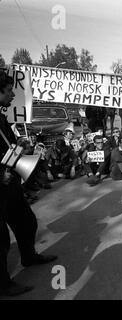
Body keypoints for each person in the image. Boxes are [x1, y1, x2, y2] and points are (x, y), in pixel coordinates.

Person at [0, 71, 56, 296]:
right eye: (9, 90)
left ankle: (29, 256)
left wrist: (21, 146)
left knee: (26, 221)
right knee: (0, 239)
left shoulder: (1, 117)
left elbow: (9, 147)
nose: (13, 94)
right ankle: (4, 284)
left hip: (9, 181)